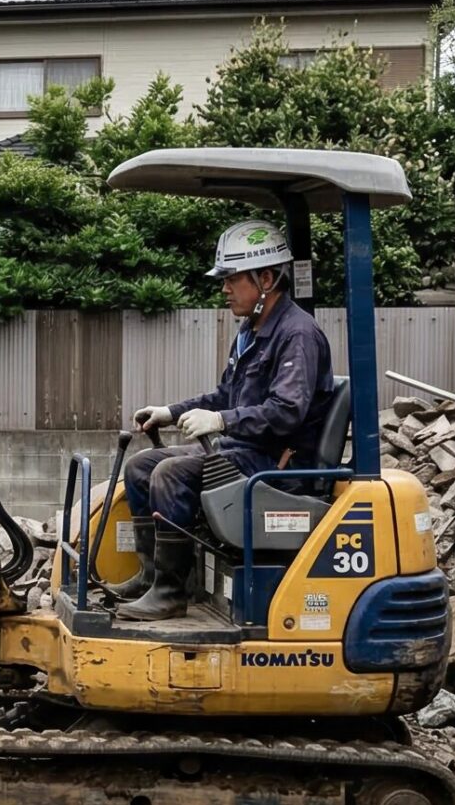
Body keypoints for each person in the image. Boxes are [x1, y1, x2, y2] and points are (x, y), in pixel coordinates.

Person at [112, 219, 333, 622]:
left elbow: (287, 411)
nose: (225, 289)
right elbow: (225, 396)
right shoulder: (252, 331)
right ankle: (151, 577)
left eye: (232, 279)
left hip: (279, 465)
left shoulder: (297, 335)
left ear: (266, 278)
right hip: (247, 451)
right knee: (142, 466)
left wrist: (221, 421)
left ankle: (171, 592)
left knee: (172, 474)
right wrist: (171, 412)